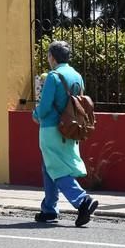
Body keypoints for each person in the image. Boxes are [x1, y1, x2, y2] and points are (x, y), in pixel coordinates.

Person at [32, 40, 98, 227]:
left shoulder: (53, 76)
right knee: (49, 167)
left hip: (52, 129)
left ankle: (82, 200)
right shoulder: (77, 76)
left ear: (52, 57)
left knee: (57, 168)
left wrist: (35, 114)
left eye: (48, 56)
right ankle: (49, 210)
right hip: (71, 128)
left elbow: (44, 107)